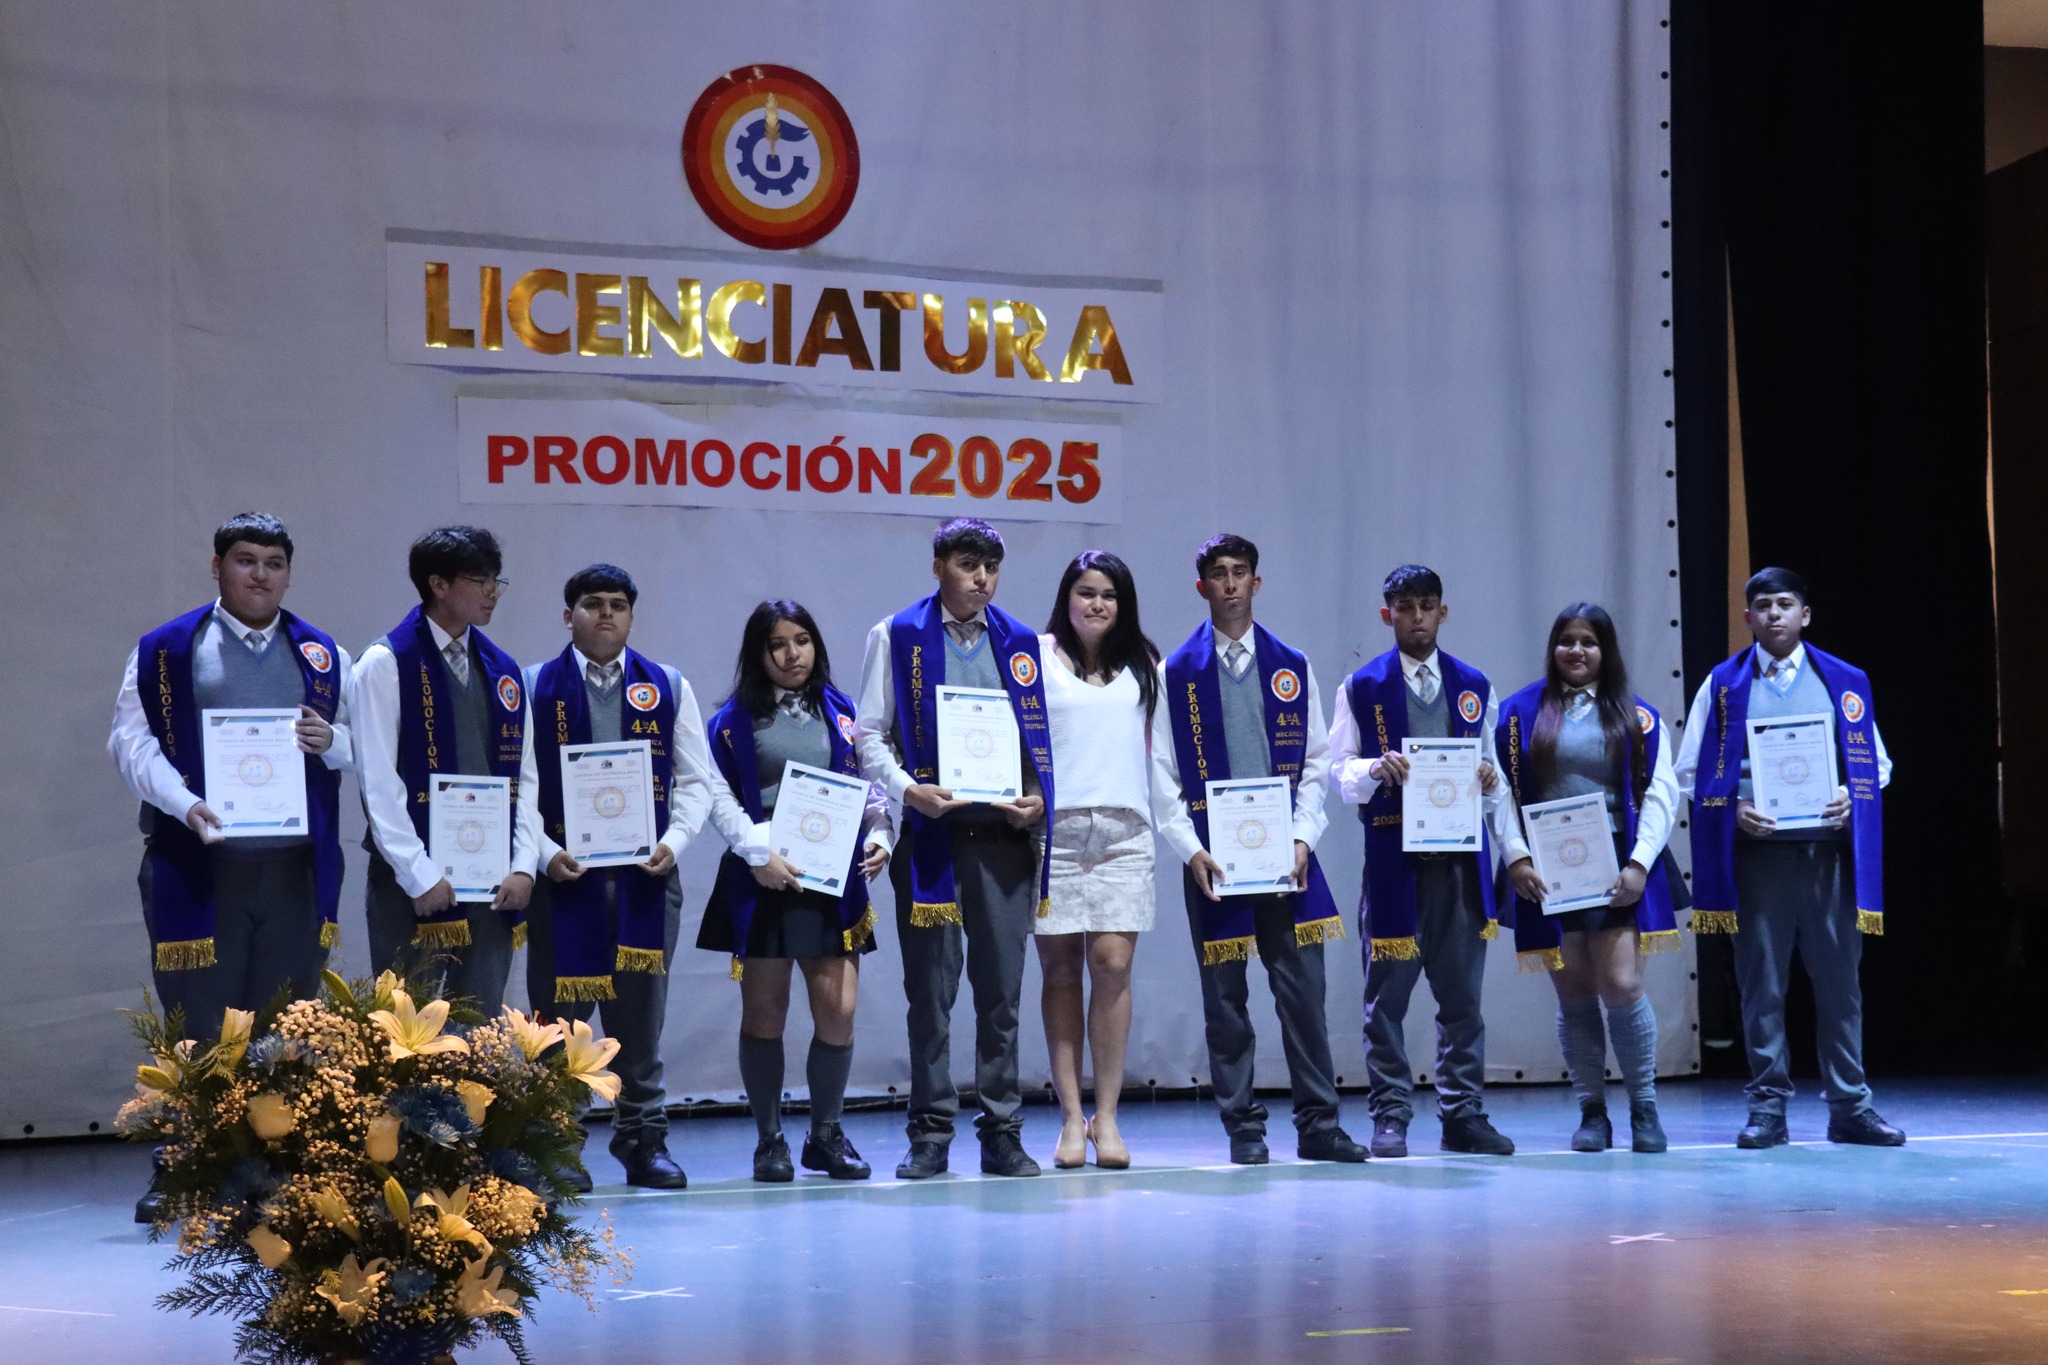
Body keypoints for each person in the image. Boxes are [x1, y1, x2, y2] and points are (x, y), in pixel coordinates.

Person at [110, 512, 353, 1222]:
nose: (260, 574)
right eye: (245, 559)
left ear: (288, 572)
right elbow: (130, 742)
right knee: (198, 1023)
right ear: (216, 567)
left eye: (274, 562)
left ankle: (272, 1164)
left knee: (282, 1024)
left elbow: (361, 748)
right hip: (198, 865)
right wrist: (185, 804)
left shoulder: (321, 652)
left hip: (292, 871)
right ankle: (184, 1161)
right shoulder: (167, 649)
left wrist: (330, 738)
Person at [1153, 534, 1367, 1165]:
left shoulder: (1291, 665)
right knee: (1226, 1003)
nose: (1229, 584)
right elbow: (1162, 774)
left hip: (1287, 860)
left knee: (1303, 995)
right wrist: (1192, 850)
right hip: (1215, 863)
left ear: (1256, 583)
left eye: (1240, 573)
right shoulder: (1176, 673)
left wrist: (1303, 838)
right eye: (1217, 574)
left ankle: (1319, 1125)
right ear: (1201, 587)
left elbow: (1317, 763)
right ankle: (1243, 1127)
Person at [1675, 567, 1902, 1148]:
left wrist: (1856, 798)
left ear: (1806, 615)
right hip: (1759, 862)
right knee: (1763, 988)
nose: (1773, 614)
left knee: (1840, 988)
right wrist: (1732, 808)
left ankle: (1850, 1106)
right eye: (1762, 606)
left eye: (1785, 604)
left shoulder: (1844, 682)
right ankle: (1768, 1108)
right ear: (1748, 617)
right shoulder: (1723, 686)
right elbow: (1686, 771)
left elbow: (1877, 765)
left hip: (1828, 861)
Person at [853, 517, 1053, 1179]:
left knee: (1001, 994)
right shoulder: (897, 634)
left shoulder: (1023, 643)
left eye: (991, 567)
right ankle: (931, 1133)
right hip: (932, 838)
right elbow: (869, 734)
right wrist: (909, 791)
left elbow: (1042, 739)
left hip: (1001, 841)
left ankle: (1001, 1130)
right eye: (969, 565)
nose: (982, 579)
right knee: (930, 994)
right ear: (938, 564)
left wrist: (1034, 792)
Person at [525, 564, 716, 1190]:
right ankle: (560, 1144)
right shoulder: (532, 687)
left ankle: (642, 1141)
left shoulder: (667, 684)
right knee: (561, 1023)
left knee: (640, 1021)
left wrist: (674, 841)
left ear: (632, 616)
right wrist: (546, 851)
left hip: (645, 878)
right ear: (568, 615)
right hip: (564, 879)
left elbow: (695, 781)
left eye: (617, 605)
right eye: (590, 604)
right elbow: (515, 789)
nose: (605, 614)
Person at [700, 600, 894, 1183]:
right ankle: (770, 1140)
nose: (793, 654)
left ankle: (827, 1135)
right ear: (759, 654)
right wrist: (755, 854)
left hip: (831, 884)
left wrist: (882, 833)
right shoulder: (731, 721)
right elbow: (718, 799)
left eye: (802, 640)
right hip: (764, 881)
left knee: (837, 1011)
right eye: (779, 644)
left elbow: (866, 785)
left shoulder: (841, 711)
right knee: (766, 1013)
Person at [1329, 564, 1517, 1158]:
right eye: (1404, 607)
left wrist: (1488, 780)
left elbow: (1495, 777)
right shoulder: (1360, 686)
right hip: (1395, 871)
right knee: (1386, 1001)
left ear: (1444, 611)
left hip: (1460, 871)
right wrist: (1371, 769)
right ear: (1387, 615)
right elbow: (1339, 771)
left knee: (1462, 1001)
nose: (1416, 617)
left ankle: (1463, 1114)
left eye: (1427, 605)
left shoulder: (1473, 685)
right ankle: (1391, 1115)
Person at [1496, 604, 1683, 1154]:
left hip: (1618, 872)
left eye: (1588, 642)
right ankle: (1592, 1113)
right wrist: (1516, 858)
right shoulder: (1517, 714)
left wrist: (1640, 865)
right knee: (1574, 992)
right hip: (1547, 874)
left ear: (1607, 651)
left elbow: (1661, 795)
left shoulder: (1637, 715)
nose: (1576, 652)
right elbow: (1499, 792)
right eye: (1566, 641)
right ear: (1553, 648)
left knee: (1622, 985)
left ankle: (1644, 1109)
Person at [1034, 551, 1193, 1169]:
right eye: (1085, 592)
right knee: (1059, 970)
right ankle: (1072, 1119)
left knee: (1113, 963)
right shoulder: (1037, 658)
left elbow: (1162, 762)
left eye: (1109, 594)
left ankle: (1109, 1117)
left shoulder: (1146, 665)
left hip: (1126, 830)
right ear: (1066, 597)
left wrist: (1185, 839)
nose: (1096, 604)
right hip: (1056, 830)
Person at [350, 525, 538, 1017]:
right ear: (438, 584)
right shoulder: (385, 663)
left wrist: (524, 862)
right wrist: (419, 874)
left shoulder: (504, 669)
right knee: (408, 1034)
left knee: (479, 1026)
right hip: (413, 882)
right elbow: (378, 783)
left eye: (497, 580)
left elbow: (526, 777)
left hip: (492, 878)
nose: (493, 592)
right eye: (481, 580)